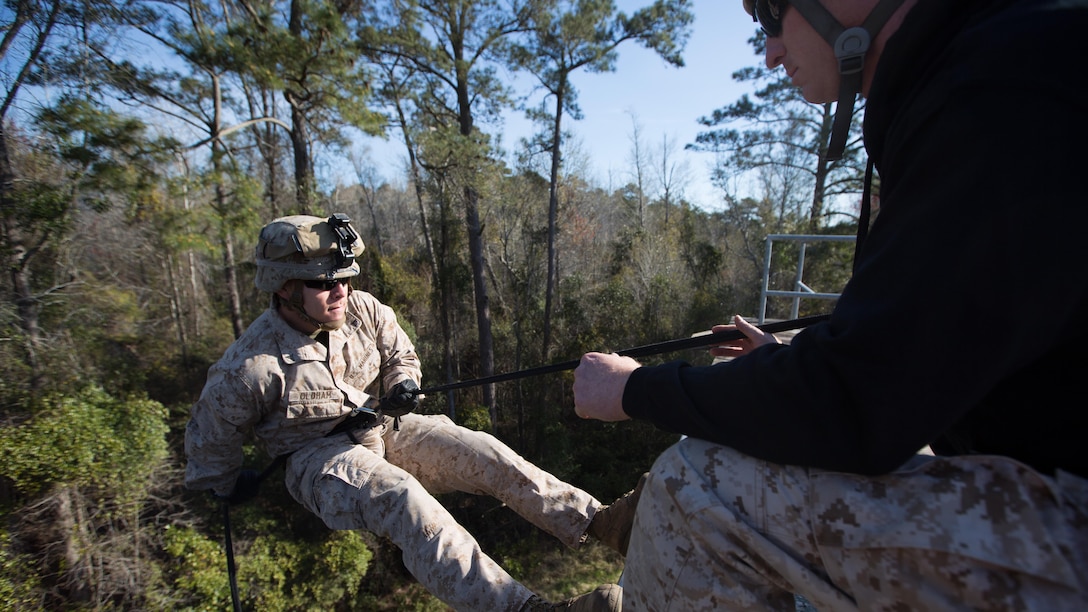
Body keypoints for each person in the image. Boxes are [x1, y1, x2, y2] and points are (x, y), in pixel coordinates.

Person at [572, 0, 1088, 609]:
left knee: (697, 485)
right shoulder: (992, 64)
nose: (770, 51)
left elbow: (857, 405)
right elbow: (918, 355)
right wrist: (790, 357)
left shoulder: (992, 89)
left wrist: (635, 389)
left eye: (769, 14)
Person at [185, 214, 636, 612]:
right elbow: (210, 438)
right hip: (317, 460)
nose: (339, 290)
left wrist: (402, 384)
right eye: (324, 283)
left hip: (382, 426)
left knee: (482, 451)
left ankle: (603, 524)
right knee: (403, 498)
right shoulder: (248, 368)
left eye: (343, 278)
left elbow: (400, 353)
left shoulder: (362, 310)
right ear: (284, 288)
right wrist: (225, 485)